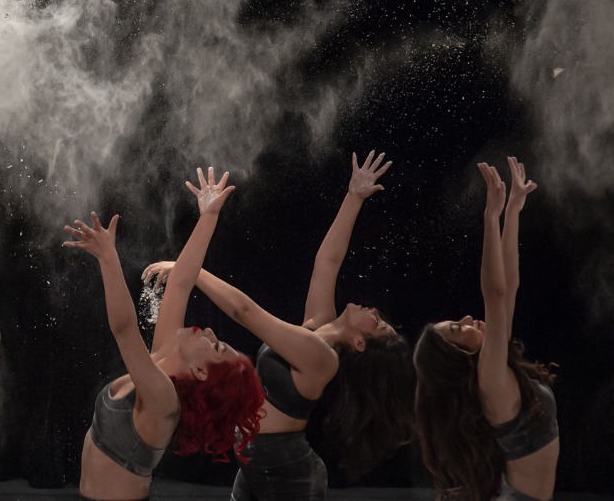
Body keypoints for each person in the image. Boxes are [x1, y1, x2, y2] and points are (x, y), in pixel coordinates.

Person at [144, 151, 413, 499]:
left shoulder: (321, 358)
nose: (375, 312)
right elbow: (327, 262)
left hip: (285, 471)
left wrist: (191, 271)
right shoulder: (317, 328)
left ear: (360, 344)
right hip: (256, 461)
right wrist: (353, 197)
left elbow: (245, 312)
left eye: (377, 325)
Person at [63, 165, 265, 501]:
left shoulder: (163, 400)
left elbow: (124, 330)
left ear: (201, 371)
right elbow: (181, 283)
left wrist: (108, 258)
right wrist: (209, 216)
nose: (210, 331)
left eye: (216, 346)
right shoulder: (162, 362)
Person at [414, 158, 556, 501]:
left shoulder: (494, 370)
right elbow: (495, 293)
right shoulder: (489, 379)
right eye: (457, 330)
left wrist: (513, 212)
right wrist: (490, 217)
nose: (466, 319)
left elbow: (510, 285)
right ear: (457, 355)